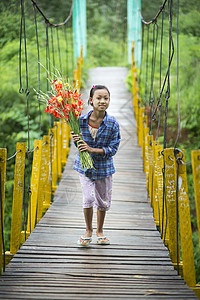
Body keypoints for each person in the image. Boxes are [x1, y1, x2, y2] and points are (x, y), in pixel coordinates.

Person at [71, 85, 121, 246]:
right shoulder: (80, 121)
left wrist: (92, 149)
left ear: (109, 101)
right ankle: (88, 230)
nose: (102, 101)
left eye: (106, 98)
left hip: (104, 168)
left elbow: (113, 149)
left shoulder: (112, 123)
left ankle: (100, 231)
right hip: (84, 168)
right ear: (91, 101)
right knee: (87, 198)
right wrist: (76, 140)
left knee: (102, 200)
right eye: (98, 98)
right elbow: (77, 146)